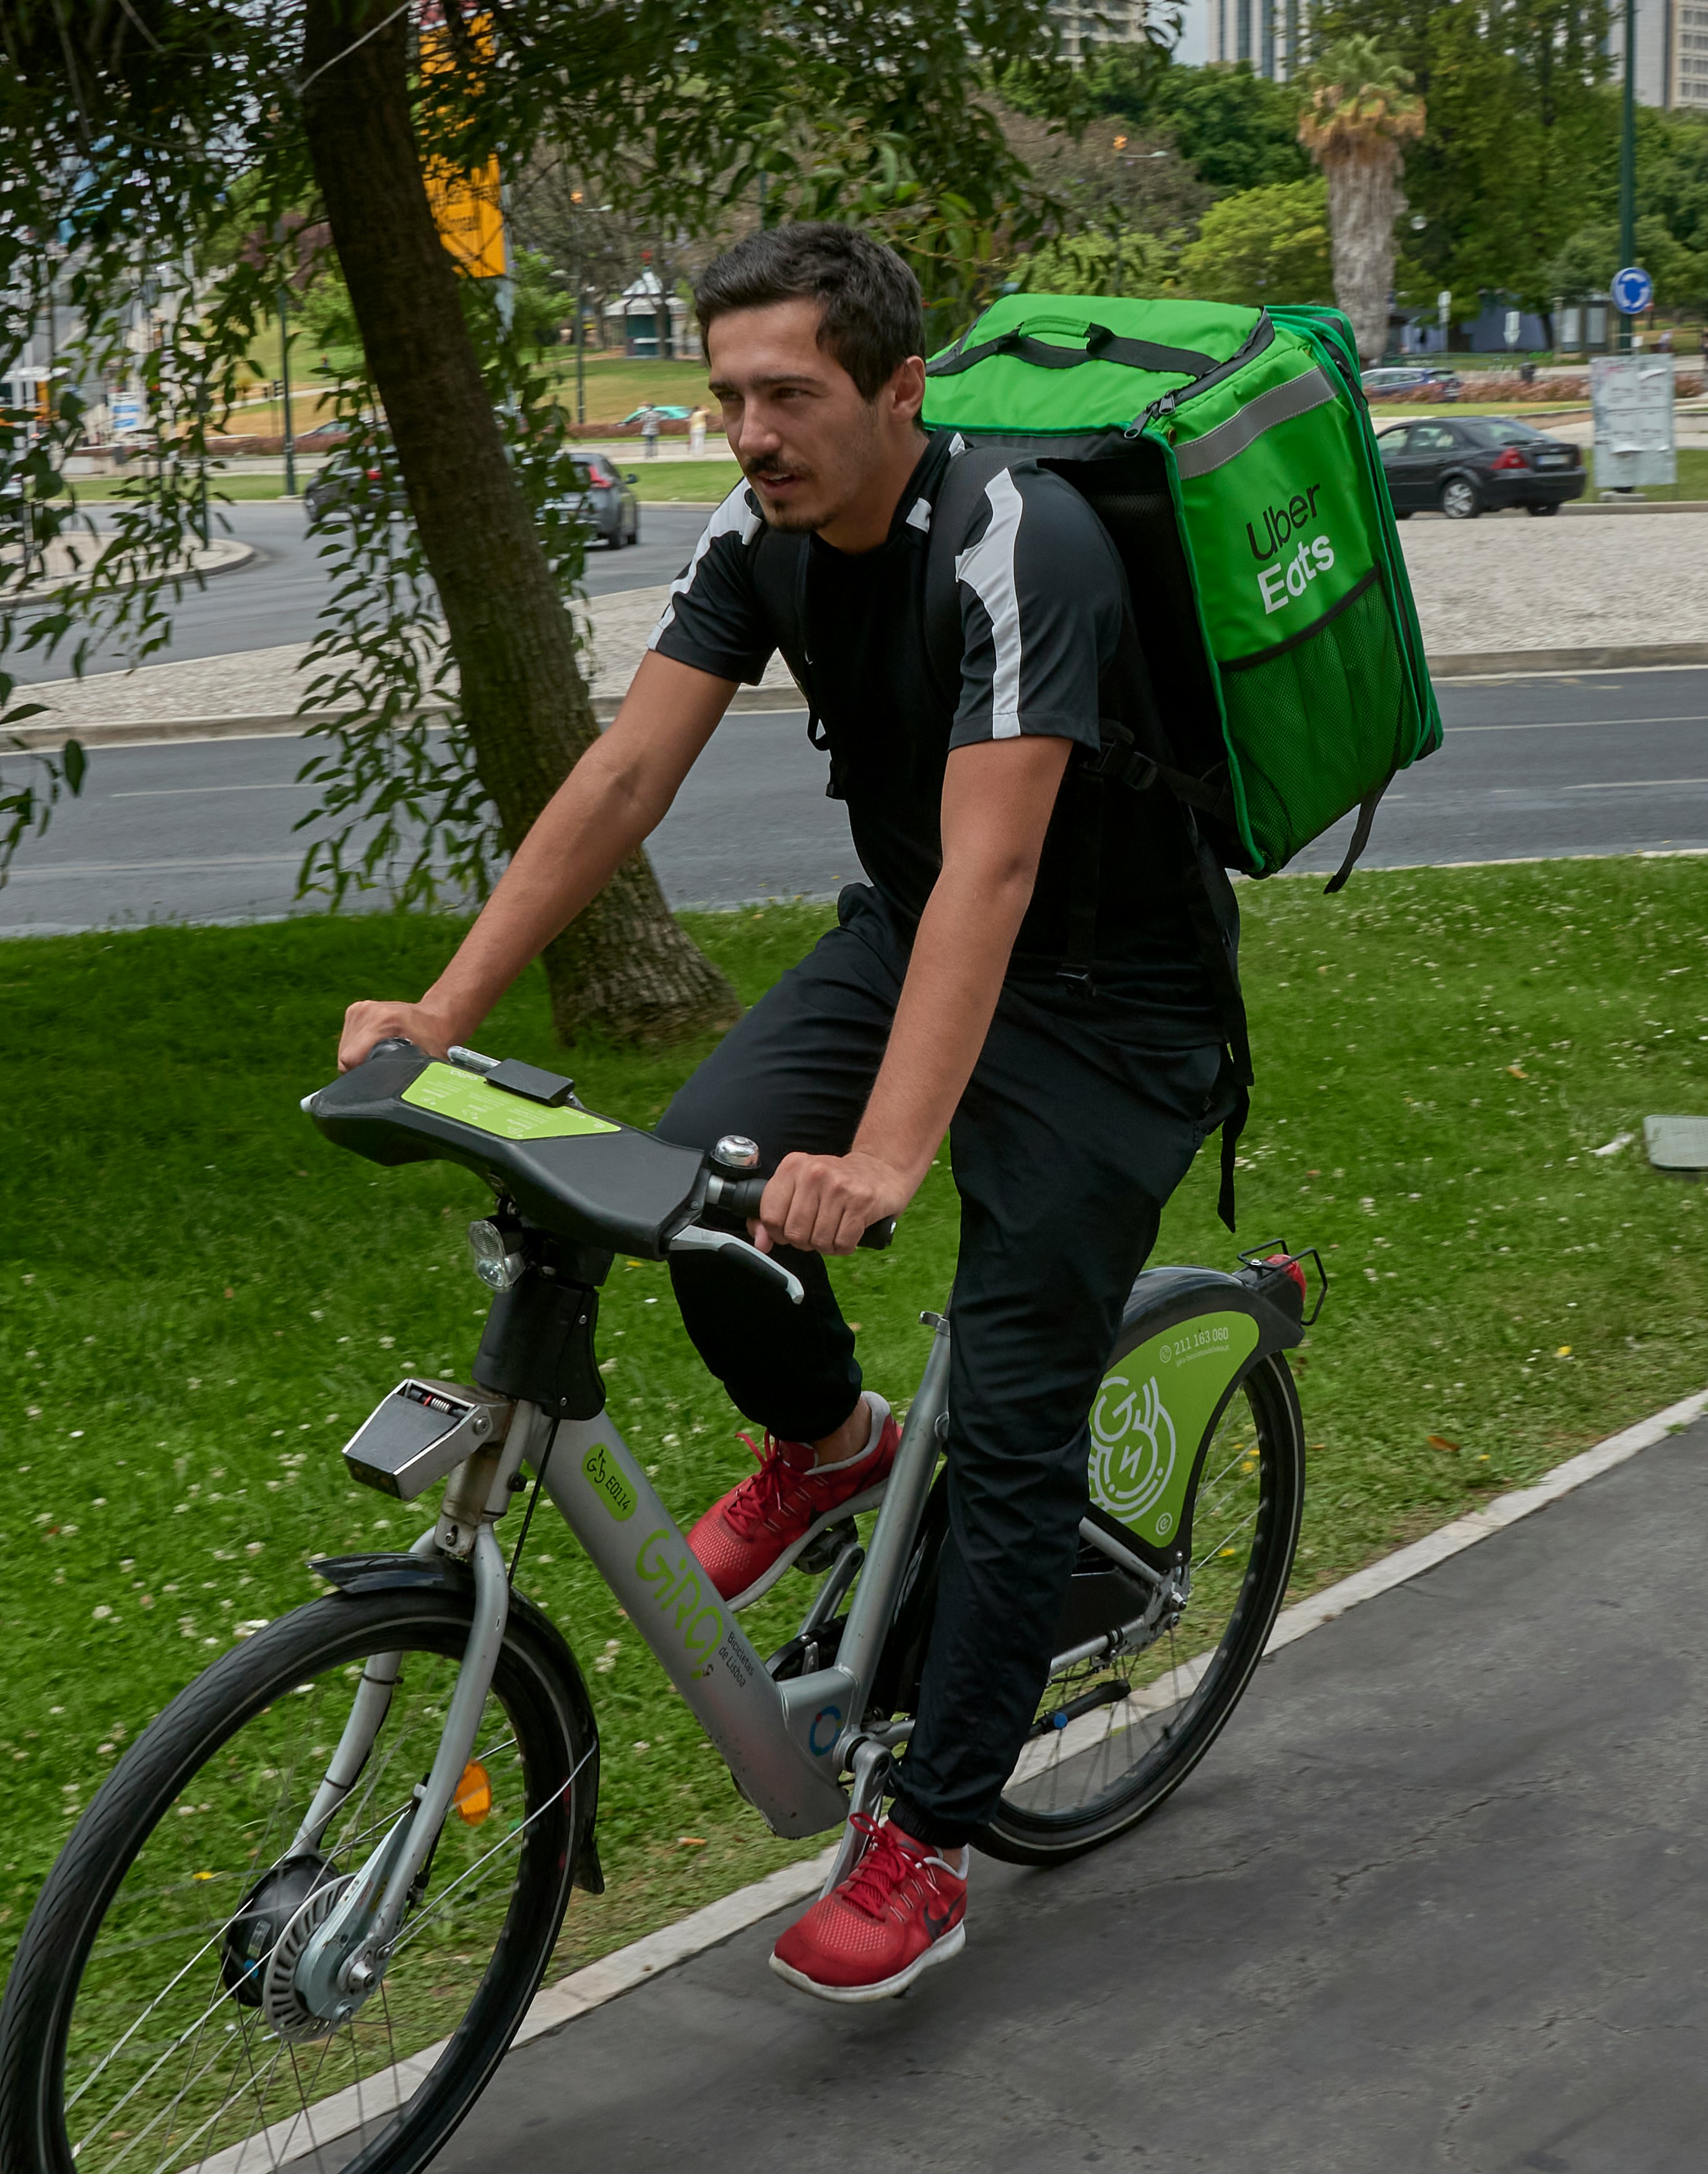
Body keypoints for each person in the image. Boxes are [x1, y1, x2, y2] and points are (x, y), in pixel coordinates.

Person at [334, 224, 1236, 2004]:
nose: (747, 430)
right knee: (683, 1184)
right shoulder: (751, 539)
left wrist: (893, 1154)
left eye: (789, 395)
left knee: (1019, 1387)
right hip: (910, 938)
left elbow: (996, 868)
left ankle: (926, 1835)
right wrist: (442, 1010)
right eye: (728, 392)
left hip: (1108, 1002)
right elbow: (619, 774)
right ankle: (828, 1442)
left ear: (900, 392)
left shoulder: (1013, 543)